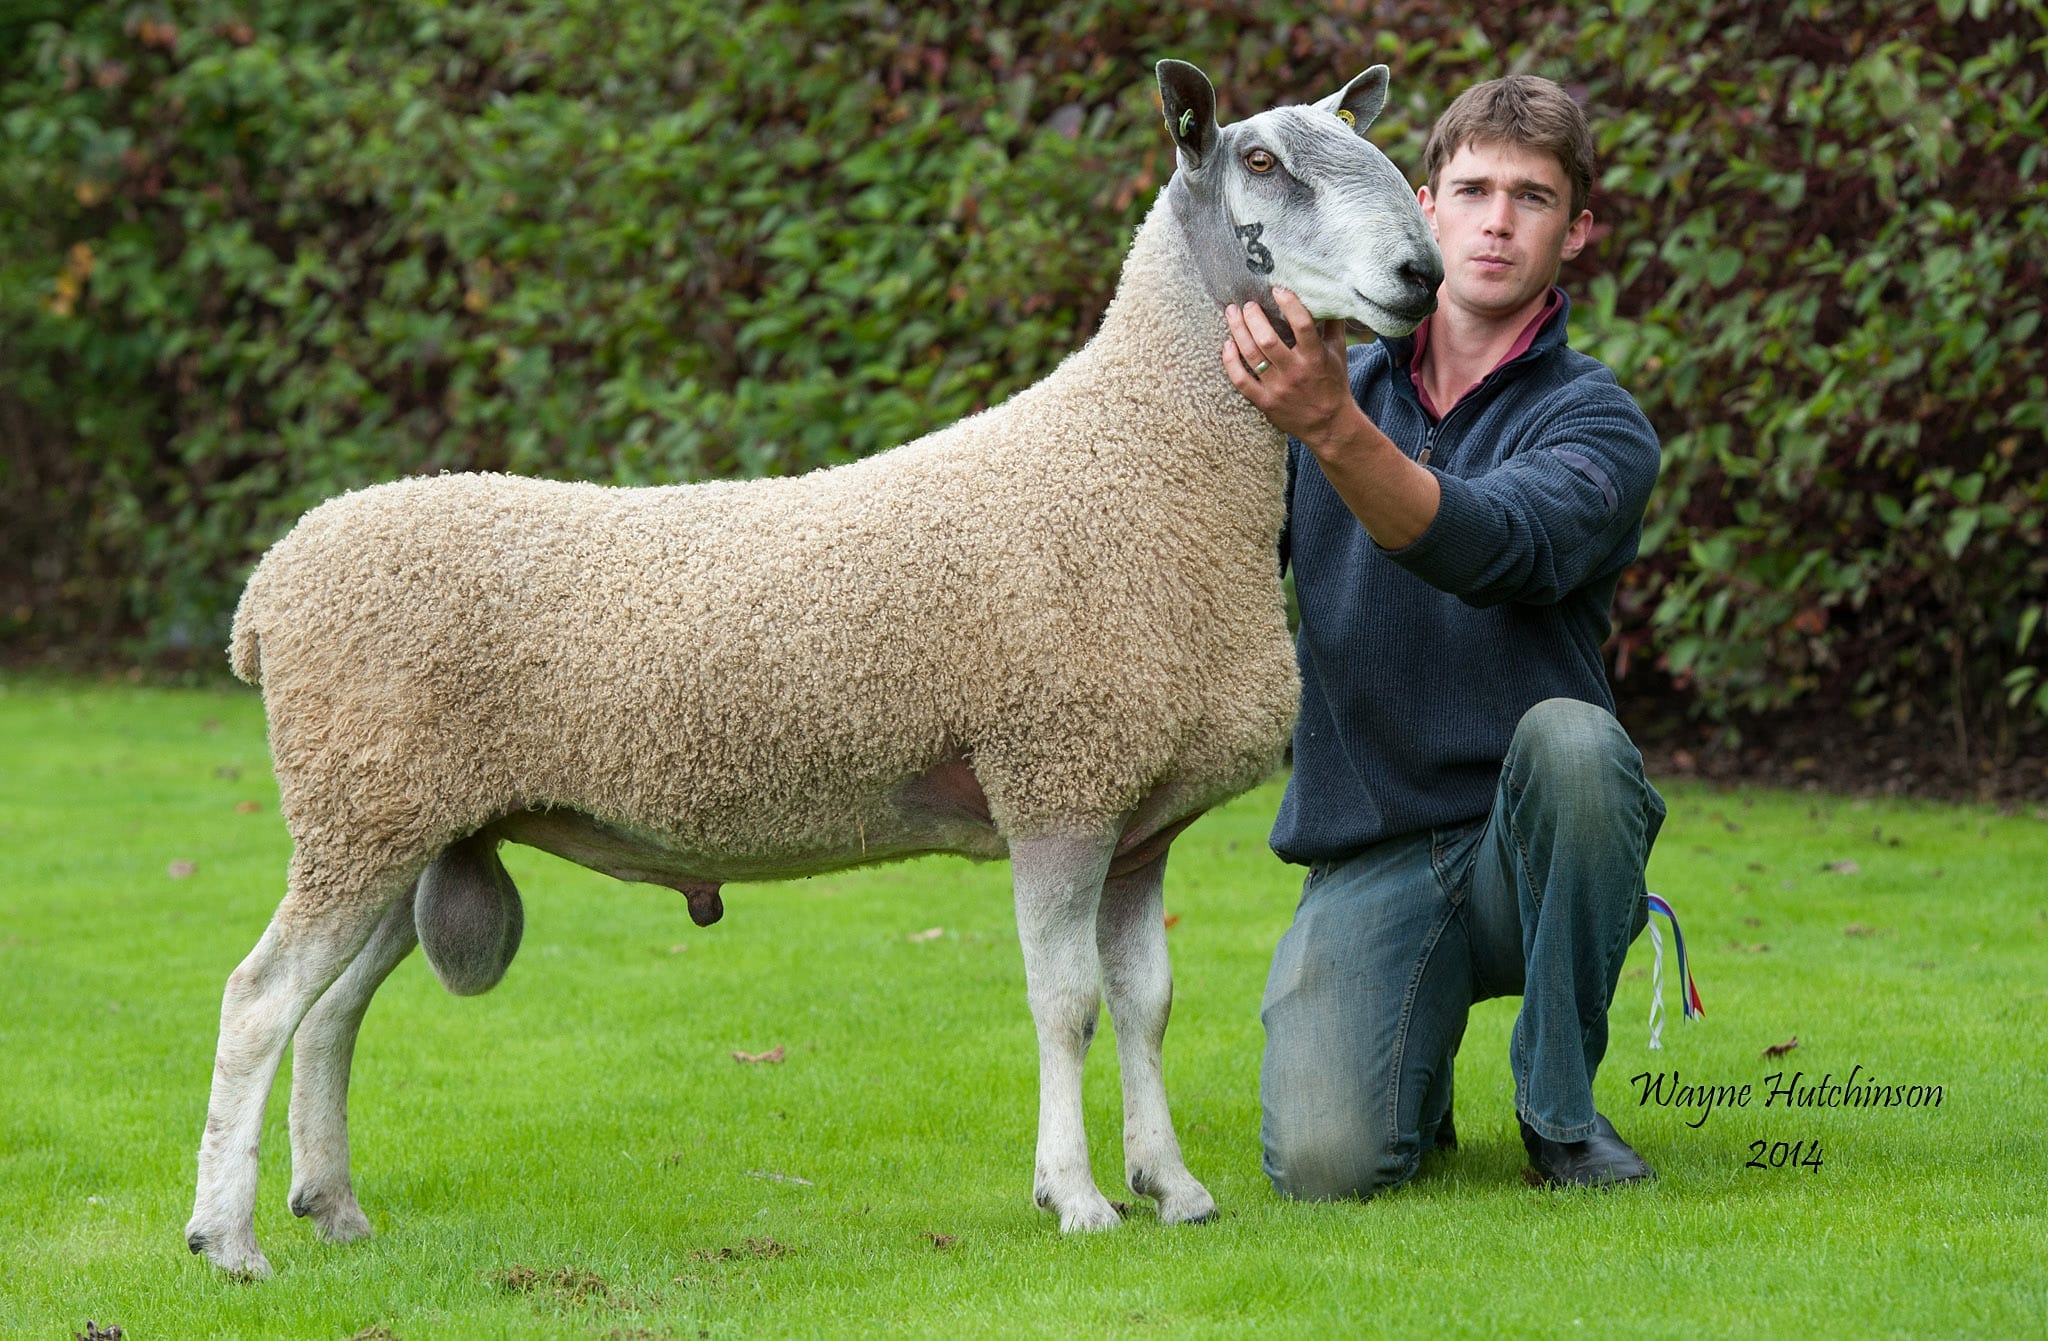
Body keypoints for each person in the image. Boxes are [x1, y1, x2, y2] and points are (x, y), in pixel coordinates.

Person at [1219, 73, 1667, 1196]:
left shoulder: (1595, 421)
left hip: (1536, 848)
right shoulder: (1312, 385)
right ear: (1421, 205)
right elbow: (1198, 579)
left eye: (1532, 196)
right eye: (1471, 188)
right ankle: (1408, 1063)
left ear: (1576, 230)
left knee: (1575, 744)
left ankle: (1559, 1117)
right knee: (1325, 1168)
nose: (1496, 219)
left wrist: (1332, 429)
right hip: (1369, 845)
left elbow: (1491, 546)